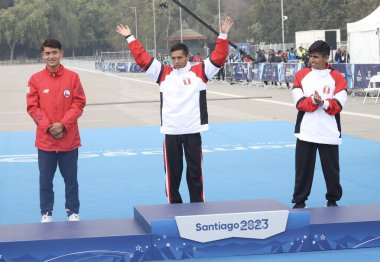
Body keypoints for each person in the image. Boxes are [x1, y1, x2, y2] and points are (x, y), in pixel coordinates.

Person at [116, 17, 233, 204]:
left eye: (180, 58)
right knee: (173, 173)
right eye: (173, 58)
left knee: (195, 172)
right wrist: (130, 37)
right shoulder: (162, 73)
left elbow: (219, 56)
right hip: (171, 131)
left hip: (193, 130)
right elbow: (142, 57)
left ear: (188, 57)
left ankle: (197, 204)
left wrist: (223, 35)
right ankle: (174, 205)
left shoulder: (200, 72)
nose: (176, 61)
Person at [26, 39, 86, 222]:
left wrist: (63, 124)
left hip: (69, 141)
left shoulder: (73, 77)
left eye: (54, 52)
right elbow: (32, 107)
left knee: (71, 181)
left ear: (61, 53)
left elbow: (79, 103)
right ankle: (46, 213)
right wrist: (49, 127)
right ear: (42, 55)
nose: (50, 57)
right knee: (45, 182)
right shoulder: (35, 79)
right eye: (47, 53)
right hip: (46, 142)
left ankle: (73, 212)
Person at [291, 40, 347, 209]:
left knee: (332, 171)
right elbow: (299, 102)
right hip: (306, 131)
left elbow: (339, 104)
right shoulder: (301, 75)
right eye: (311, 56)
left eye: (316, 57)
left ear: (326, 58)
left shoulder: (337, 77)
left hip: (328, 132)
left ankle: (332, 200)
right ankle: (299, 202)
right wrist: (315, 102)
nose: (312, 60)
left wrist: (322, 103)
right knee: (302, 170)